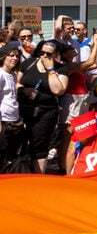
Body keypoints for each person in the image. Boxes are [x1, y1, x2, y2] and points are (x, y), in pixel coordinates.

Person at [17, 40, 69, 172]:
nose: (44, 56)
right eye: (42, 52)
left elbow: (58, 90)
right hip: (24, 110)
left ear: (56, 55)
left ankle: (38, 178)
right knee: (21, 145)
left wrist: (50, 69)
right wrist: (24, 90)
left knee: (40, 147)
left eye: (49, 54)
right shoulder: (28, 63)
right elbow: (16, 83)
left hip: (45, 112)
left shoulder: (61, 69)